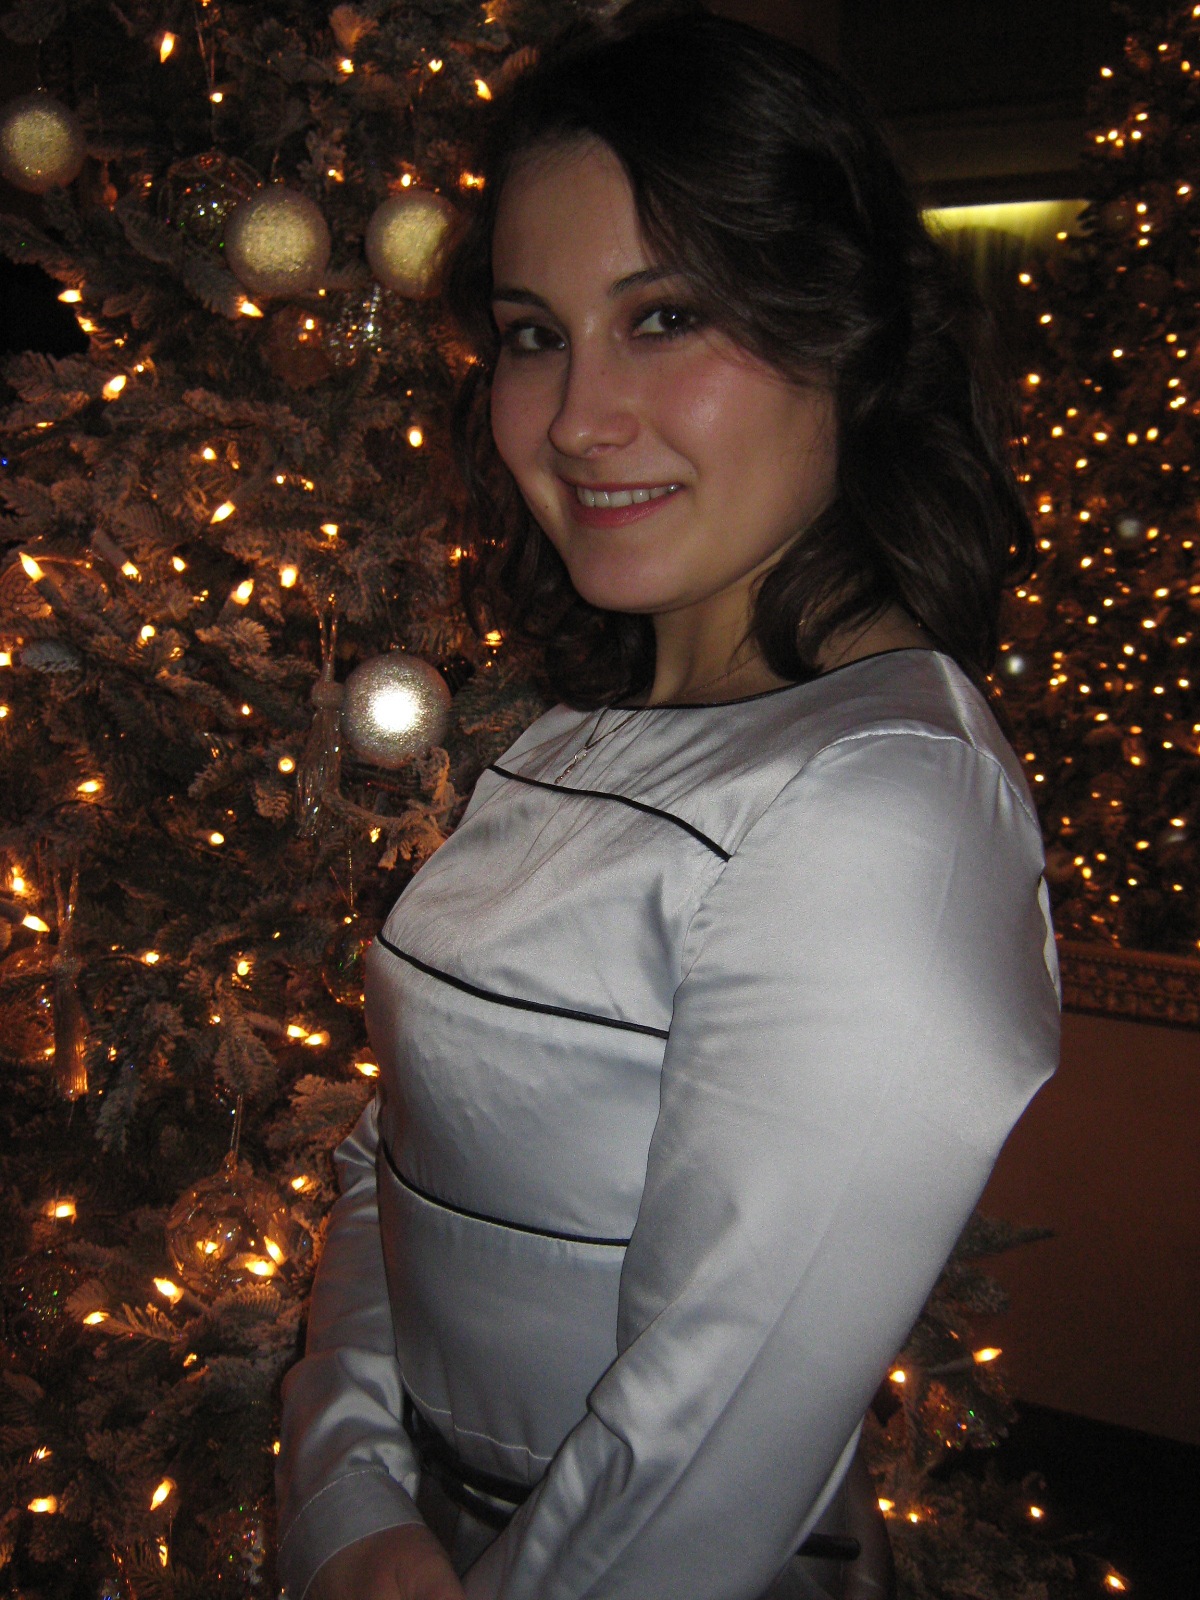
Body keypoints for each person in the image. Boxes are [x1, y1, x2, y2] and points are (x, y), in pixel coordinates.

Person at [274, 6, 1062, 1599]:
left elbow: (696, 1476)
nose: (577, 419)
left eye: (667, 316)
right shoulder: (586, 733)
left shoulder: (881, 807)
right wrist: (350, 1499)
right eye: (533, 333)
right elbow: (396, 1151)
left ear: (846, 335)